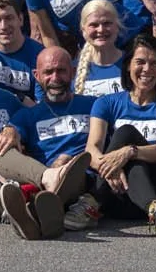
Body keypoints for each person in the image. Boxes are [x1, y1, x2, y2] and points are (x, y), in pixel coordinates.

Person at [86, 34, 156, 237]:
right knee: (126, 137)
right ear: (127, 66)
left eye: (154, 63)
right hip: (118, 194)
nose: (147, 69)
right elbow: (91, 150)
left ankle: (94, 202)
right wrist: (112, 168)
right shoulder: (106, 103)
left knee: (127, 136)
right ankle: (94, 203)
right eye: (140, 62)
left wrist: (128, 152)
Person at [13, 44, 101, 232]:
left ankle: (37, 209)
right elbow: (11, 142)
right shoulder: (27, 116)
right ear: (37, 76)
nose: (55, 78)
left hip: (87, 179)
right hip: (46, 177)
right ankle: (43, 204)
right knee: (55, 166)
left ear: (73, 72)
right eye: (48, 72)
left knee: (69, 163)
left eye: (61, 71)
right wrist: (8, 130)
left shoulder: (93, 106)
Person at [74, 0, 130, 99]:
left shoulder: (133, 63)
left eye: (107, 23)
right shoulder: (73, 70)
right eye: (94, 25)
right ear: (83, 30)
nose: (101, 30)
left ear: (117, 26)